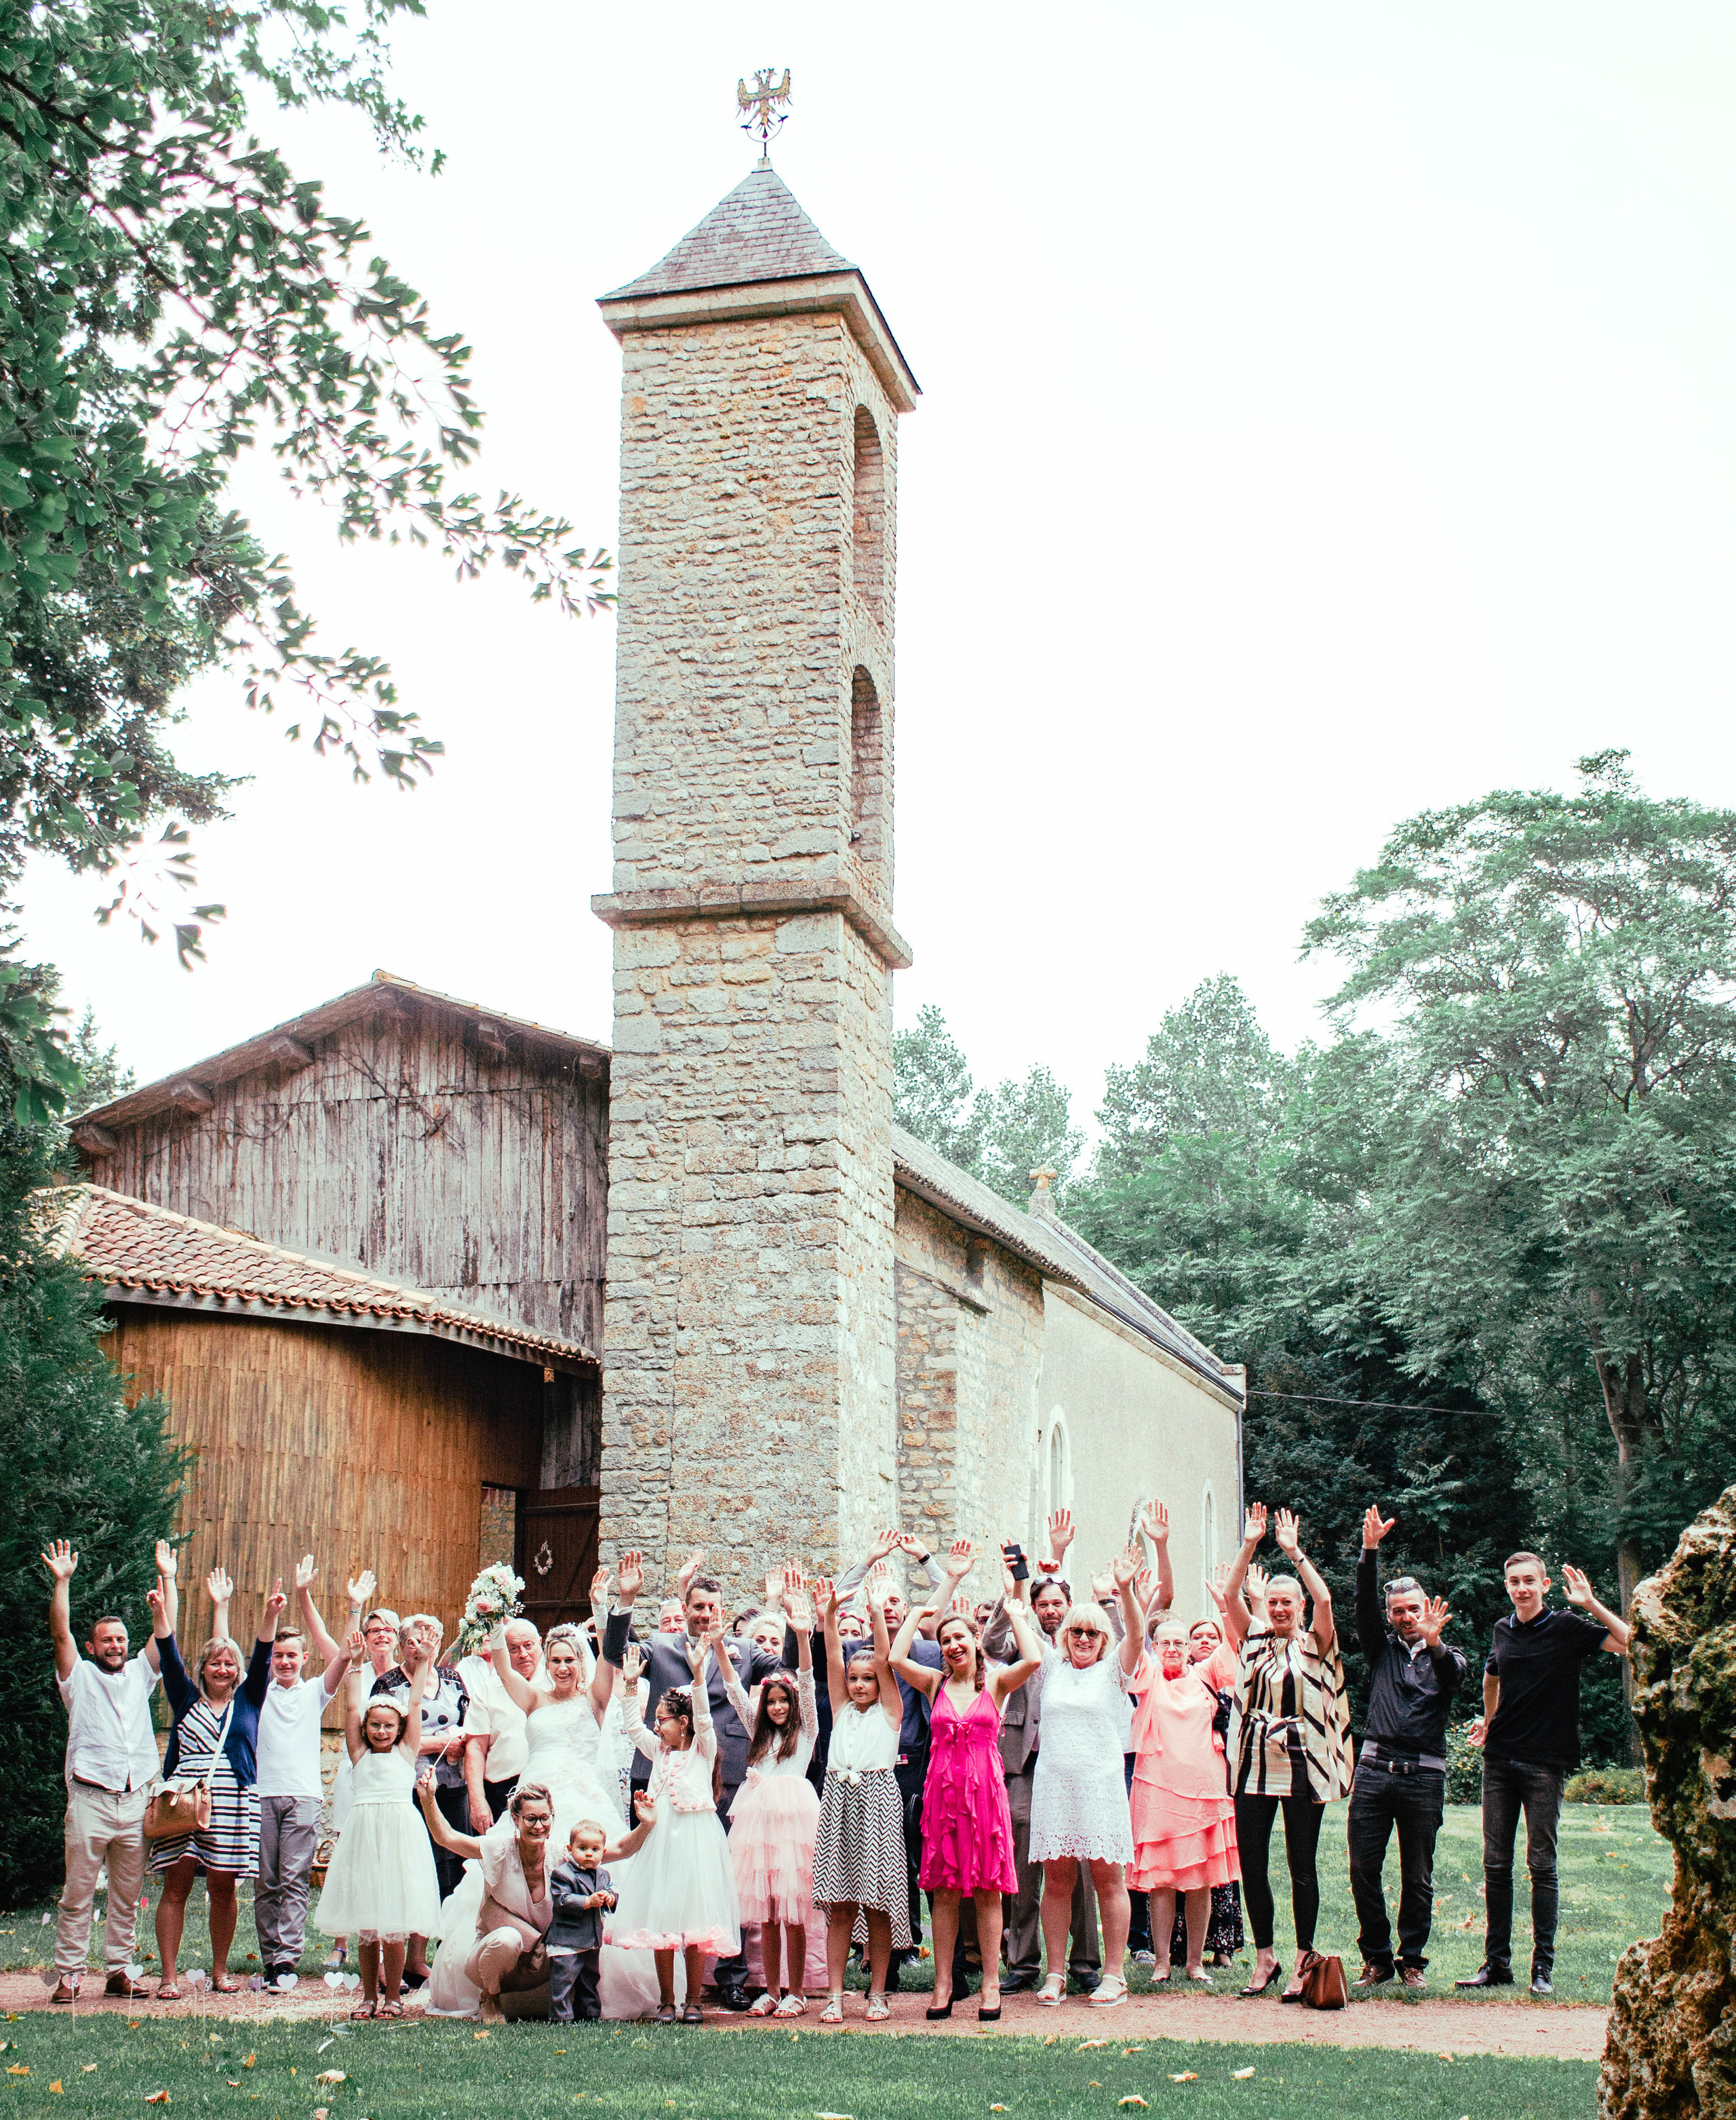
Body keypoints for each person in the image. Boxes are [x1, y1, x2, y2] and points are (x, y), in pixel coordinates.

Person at [612, 1552, 787, 2011]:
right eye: (697, 1607)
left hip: (730, 1777)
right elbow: (619, 1655)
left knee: (720, 1883)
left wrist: (781, 1610)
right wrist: (625, 1601)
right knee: (673, 1886)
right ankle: (676, 1994)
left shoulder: (745, 1651)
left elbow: (787, 1670)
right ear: (685, 1607)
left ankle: (729, 1979)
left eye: (712, 1609)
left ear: (723, 1613)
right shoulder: (662, 1645)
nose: (704, 1614)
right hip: (670, 1783)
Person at [1458, 1551, 1630, 1997]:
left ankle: (1542, 1970)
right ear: (1507, 1586)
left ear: (1546, 1585)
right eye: (1514, 1581)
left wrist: (1590, 1603)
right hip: (1499, 1762)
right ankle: (1497, 1966)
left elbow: (1629, 1641)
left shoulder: (1568, 1629)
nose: (1521, 1588)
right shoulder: (1501, 1630)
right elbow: (1490, 1677)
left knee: (1541, 1865)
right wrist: (1489, 1718)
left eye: (1529, 1580)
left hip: (1544, 1764)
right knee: (1496, 1865)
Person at [890, 1537, 1042, 2022]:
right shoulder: (934, 1683)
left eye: (961, 1639)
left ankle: (992, 1985)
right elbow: (895, 1659)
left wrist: (1017, 1610)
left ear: (975, 1641)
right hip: (942, 1796)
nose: (953, 1646)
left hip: (985, 1796)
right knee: (945, 1891)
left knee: (990, 1889)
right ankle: (943, 1985)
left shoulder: (995, 1683)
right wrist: (922, 1613)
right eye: (946, 1641)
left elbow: (1034, 1659)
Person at [1221, 1504, 1353, 2003]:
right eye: (1272, 1602)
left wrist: (1294, 1553)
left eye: (1286, 1603)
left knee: (1302, 1864)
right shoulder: (1252, 1639)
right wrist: (1250, 1543)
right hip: (1254, 1762)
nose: (1278, 1609)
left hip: (1304, 1765)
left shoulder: (1318, 1643)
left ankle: (1303, 1958)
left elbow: (1324, 1595)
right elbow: (1231, 1594)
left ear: (1298, 1607)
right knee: (1253, 1863)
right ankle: (1265, 1956)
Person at [43, 1537, 174, 2004]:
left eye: (121, 1639)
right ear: (92, 1645)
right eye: (107, 1640)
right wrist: (62, 1583)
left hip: (136, 1798)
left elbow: (165, 1635)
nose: (116, 1646)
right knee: (77, 1895)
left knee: (127, 1894)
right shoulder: (77, 1677)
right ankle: (70, 1976)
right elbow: (59, 1634)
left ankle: (119, 1972)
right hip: (90, 1800)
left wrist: (168, 1578)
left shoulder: (142, 1673)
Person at [984, 1510, 1105, 1996]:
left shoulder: (1085, 1641)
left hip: (1074, 1762)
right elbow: (992, 1641)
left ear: (1070, 1605)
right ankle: (1024, 1960)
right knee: (1026, 1864)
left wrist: (1061, 1552)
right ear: (1033, 1608)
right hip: (1024, 1764)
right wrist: (1014, 1590)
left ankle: (1084, 1961)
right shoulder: (1023, 1636)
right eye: (1044, 1604)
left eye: (1059, 1602)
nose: (1052, 1611)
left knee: (1079, 1863)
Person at [1347, 1506, 1466, 1993]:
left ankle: (1411, 1959)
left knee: (1417, 1876)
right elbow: (1362, 1609)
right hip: (1375, 1772)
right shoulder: (1381, 1649)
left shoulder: (1449, 1657)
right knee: (1362, 1869)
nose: (1406, 1617)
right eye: (1399, 1611)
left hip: (1423, 1778)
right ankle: (1376, 1958)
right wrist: (1369, 1551)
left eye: (1413, 1609)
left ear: (1427, 1610)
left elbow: (1453, 1678)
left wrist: (1436, 1646)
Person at [1019, 1543, 1143, 2010]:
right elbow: (1024, 1615)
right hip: (1054, 1785)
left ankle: (1114, 1975)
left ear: (1103, 1638)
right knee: (1058, 1880)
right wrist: (1052, 1559)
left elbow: (1133, 1631)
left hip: (1100, 1786)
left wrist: (1126, 1588)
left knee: (1111, 1880)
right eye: (1076, 1631)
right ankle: (1054, 1974)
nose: (1084, 1638)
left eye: (1092, 1632)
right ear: (1065, 1635)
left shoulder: (1115, 1670)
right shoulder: (1050, 1667)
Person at [149, 1571, 280, 1998]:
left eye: (229, 1664)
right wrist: (158, 1614)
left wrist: (270, 1614)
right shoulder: (185, 1698)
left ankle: (220, 1972)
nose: (223, 1669)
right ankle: (169, 1977)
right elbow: (168, 1655)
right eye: (214, 1663)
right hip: (186, 1801)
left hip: (233, 1800)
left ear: (237, 1671)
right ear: (202, 1668)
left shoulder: (249, 1699)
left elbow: (263, 1654)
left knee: (223, 1889)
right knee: (177, 1885)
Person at [611, 1634, 743, 2025]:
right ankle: (667, 2001)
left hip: (696, 1840)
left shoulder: (702, 1747)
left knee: (695, 1919)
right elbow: (634, 1727)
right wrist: (631, 1683)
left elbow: (704, 1716)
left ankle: (694, 2000)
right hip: (661, 1839)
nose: (657, 1726)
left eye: (663, 1720)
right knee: (663, 1916)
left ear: (682, 1723)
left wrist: (699, 1672)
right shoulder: (659, 1751)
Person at [314, 1628, 441, 2016]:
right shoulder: (359, 1754)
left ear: (400, 1729)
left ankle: (393, 1997)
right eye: (375, 1726)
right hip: (365, 1835)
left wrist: (424, 1662)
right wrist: (352, 1661)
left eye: (389, 1726)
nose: (381, 1731)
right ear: (366, 1730)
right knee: (368, 1922)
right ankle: (368, 1996)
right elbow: (352, 1708)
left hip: (400, 1835)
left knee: (395, 1921)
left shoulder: (406, 1753)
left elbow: (415, 1701)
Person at [717, 1566, 821, 2016]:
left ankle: (796, 1992)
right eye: (772, 1702)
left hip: (795, 1819)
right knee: (766, 1913)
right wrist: (719, 1646)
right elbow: (732, 1690)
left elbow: (808, 1680)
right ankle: (772, 1990)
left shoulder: (807, 1730)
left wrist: (800, 1635)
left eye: (784, 1701)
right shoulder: (756, 1732)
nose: (778, 1707)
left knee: (792, 1910)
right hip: (759, 1821)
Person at [252, 1563, 359, 1989]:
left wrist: (316, 1598)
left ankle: (287, 1961)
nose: (284, 1661)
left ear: (304, 1658)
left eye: (291, 1655)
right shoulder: (257, 1691)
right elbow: (261, 1646)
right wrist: (273, 1613)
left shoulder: (315, 1691)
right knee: (266, 1880)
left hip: (304, 1797)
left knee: (295, 1879)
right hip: (263, 1796)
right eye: (278, 1656)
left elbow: (346, 1657)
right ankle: (268, 1957)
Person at [812, 1578, 906, 2024]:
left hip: (877, 1802)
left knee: (878, 1902)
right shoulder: (840, 1707)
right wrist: (829, 1614)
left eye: (869, 1679)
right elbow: (832, 1656)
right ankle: (834, 1995)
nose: (861, 1684)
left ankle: (878, 1993)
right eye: (855, 1678)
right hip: (839, 1802)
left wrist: (874, 1614)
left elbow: (885, 1662)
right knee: (841, 1904)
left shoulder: (890, 1712)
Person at [1128, 1609, 1240, 1984]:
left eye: (1180, 1642)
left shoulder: (1206, 1674)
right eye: (1165, 1643)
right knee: (1161, 1881)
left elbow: (1237, 1642)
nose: (1173, 1648)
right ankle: (1161, 1963)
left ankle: (1195, 1963)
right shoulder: (1148, 1675)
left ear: (1190, 1647)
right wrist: (1136, 1600)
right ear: (1155, 1646)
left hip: (1204, 1790)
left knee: (1201, 1879)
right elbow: (1131, 1637)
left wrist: (1228, 1605)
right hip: (1158, 1788)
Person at [372, 1611, 469, 1986]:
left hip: (452, 1787)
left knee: (446, 1872)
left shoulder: (452, 1678)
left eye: (430, 1637)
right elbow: (385, 1735)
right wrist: (440, 1742)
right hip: (407, 1790)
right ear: (401, 1644)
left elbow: (470, 1725)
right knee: (409, 1869)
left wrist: (462, 1743)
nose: (421, 1646)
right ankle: (389, 1959)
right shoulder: (388, 1683)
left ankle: (423, 1958)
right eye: (413, 1639)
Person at [1167, 1608, 1245, 1969]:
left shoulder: (1225, 1680)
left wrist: (1226, 1603)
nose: (1204, 1642)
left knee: (1217, 1870)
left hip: (1216, 1777)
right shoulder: (1167, 1677)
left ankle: (1222, 1948)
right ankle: (1175, 1951)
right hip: (1172, 1783)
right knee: (1176, 1869)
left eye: (1210, 1637)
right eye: (1196, 1636)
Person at [324, 1601, 399, 1972]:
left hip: (390, 1781)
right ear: (366, 1639)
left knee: (386, 1860)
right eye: (374, 1631)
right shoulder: (356, 1671)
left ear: (398, 1638)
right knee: (349, 1856)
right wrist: (353, 1608)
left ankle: (385, 1941)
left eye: (388, 1630)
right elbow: (333, 1645)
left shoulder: (405, 1675)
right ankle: (341, 1942)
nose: (381, 1635)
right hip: (356, 1772)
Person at [462, 1616, 549, 1826]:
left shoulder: (556, 1684)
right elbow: (475, 1749)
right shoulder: (488, 1691)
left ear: (540, 1643)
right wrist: (477, 1802)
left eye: (528, 1645)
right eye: (514, 1648)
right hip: (500, 1791)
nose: (523, 1654)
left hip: (550, 1789)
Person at [548, 1820, 618, 2022]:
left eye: (595, 1849)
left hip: (592, 1938)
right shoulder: (563, 1873)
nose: (589, 1853)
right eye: (583, 1848)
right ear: (570, 1850)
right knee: (563, 1980)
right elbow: (562, 1900)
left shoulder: (603, 1874)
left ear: (603, 1852)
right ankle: (561, 2018)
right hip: (567, 1939)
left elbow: (610, 1892)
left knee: (589, 1978)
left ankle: (590, 2013)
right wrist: (588, 1901)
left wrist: (610, 1899)